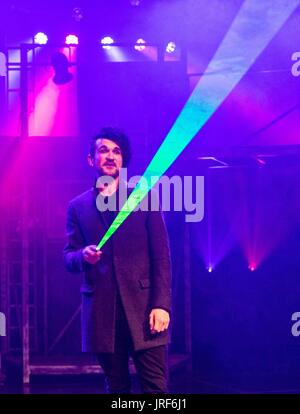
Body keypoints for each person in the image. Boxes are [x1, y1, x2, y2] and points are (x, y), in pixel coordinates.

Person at [63, 127, 172, 393]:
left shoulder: (142, 198)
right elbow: (68, 256)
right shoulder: (78, 206)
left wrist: (161, 305)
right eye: (103, 150)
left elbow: (161, 257)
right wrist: (82, 256)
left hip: (145, 309)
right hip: (103, 311)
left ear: (123, 161)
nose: (111, 156)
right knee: (116, 387)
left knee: (155, 387)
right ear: (91, 160)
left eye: (117, 151)